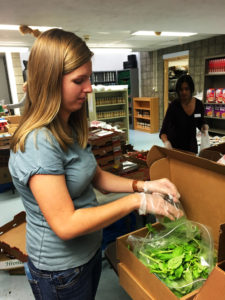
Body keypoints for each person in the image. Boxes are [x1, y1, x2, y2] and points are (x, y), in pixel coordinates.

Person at [9, 28, 182, 300]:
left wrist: (144, 184)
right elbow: (65, 224)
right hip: (60, 270)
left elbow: (95, 175)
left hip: (88, 252)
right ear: (50, 82)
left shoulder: (70, 124)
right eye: (79, 80)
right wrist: (137, 201)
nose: (89, 88)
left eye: (88, 78)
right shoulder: (38, 143)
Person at [160, 74, 208, 153]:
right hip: (174, 148)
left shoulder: (198, 105)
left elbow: (200, 121)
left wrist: (204, 127)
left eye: (186, 89)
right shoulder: (174, 106)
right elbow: (163, 131)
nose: (184, 92)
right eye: (181, 89)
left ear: (191, 89)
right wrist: (166, 142)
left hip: (191, 147)